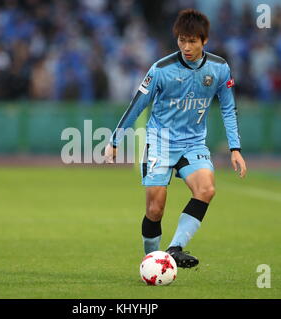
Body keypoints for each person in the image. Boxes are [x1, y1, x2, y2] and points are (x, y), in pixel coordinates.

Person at [104, 9, 247, 268]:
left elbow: (228, 107)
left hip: (193, 144)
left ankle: (174, 248)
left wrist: (235, 148)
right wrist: (115, 140)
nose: (186, 46)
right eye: (182, 40)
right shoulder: (161, 69)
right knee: (155, 210)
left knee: (206, 189)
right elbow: (136, 105)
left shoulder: (219, 68)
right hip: (160, 142)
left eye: (192, 41)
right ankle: (150, 260)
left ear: (204, 41)